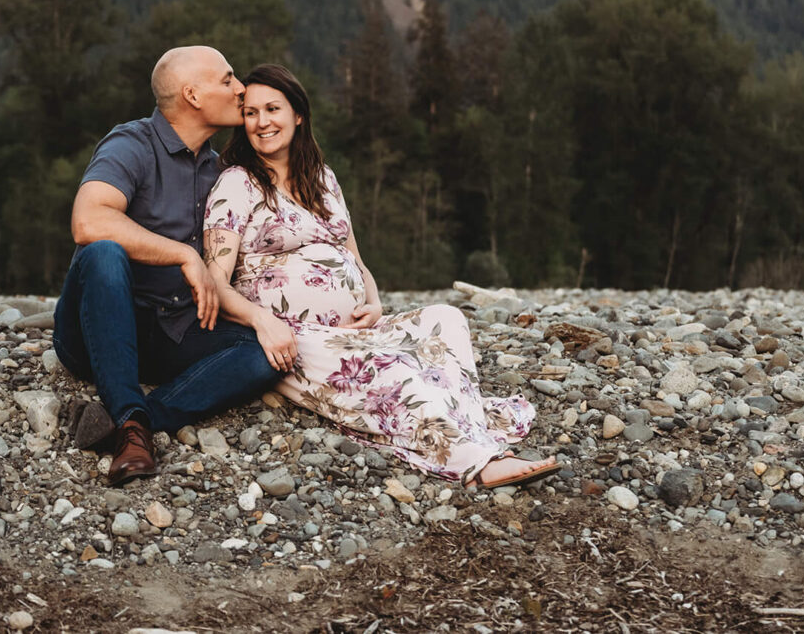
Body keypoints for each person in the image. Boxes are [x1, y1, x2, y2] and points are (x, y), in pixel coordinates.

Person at [202, 64, 554, 488]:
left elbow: (357, 260)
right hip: (292, 336)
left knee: (447, 319)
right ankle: (477, 462)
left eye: (272, 109)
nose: (261, 122)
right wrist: (263, 322)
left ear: (298, 114)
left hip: (353, 328)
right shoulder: (237, 183)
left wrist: (374, 303)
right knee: (402, 368)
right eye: (252, 112)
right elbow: (214, 280)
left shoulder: (323, 179)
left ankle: (470, 428)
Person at [53, 46, 283, 485]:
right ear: (192, 95)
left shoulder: (222, 170)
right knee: (102, 251)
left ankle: (132, 421)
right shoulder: (131, 144)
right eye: (228, 79)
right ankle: (131, 424)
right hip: (95, 330)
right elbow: (87, 220)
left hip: (171, 331)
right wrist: (183, 254)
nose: (241, 89)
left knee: (262, 354)